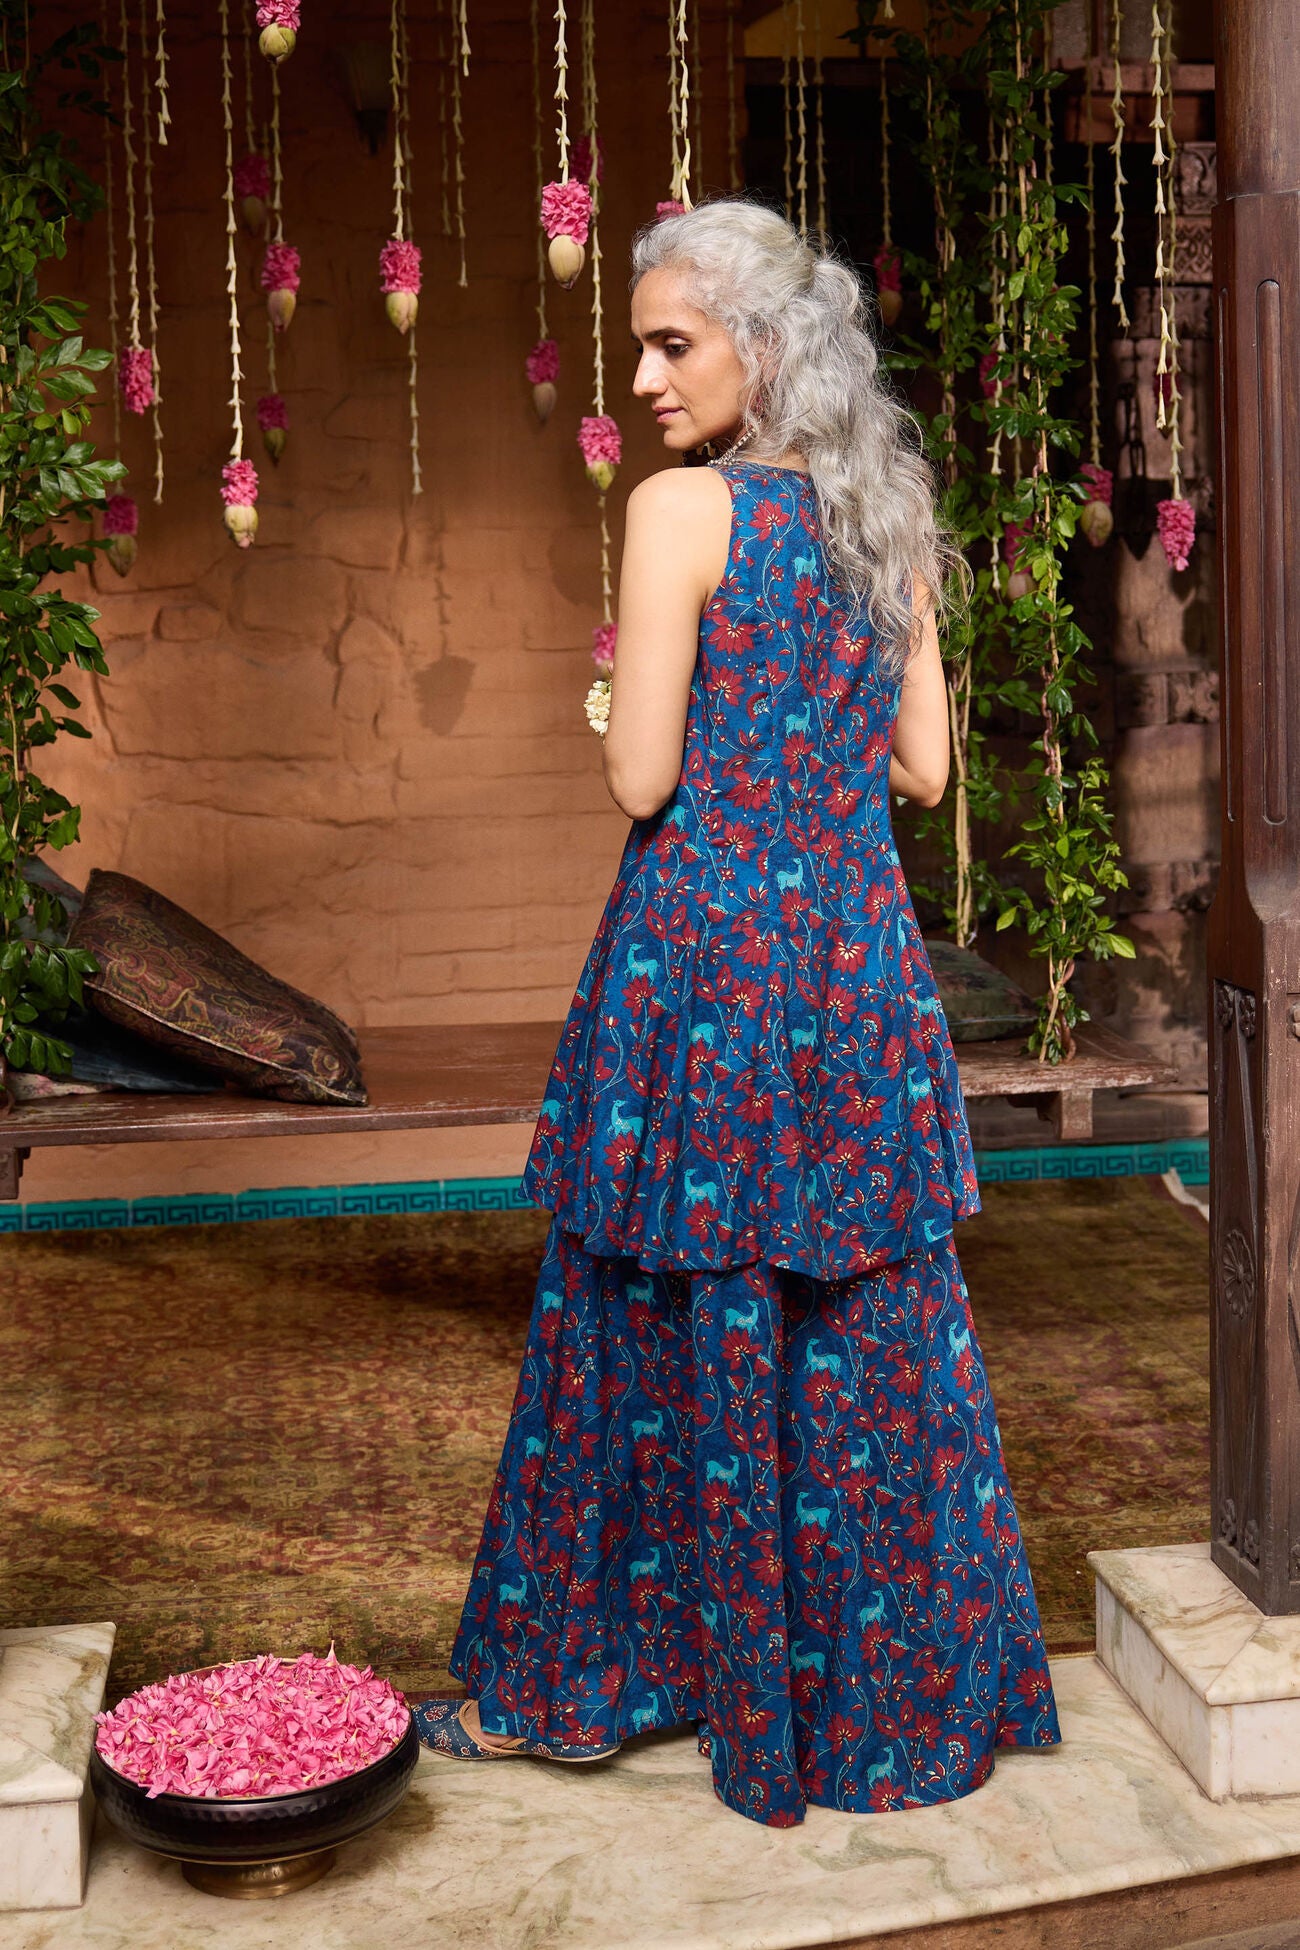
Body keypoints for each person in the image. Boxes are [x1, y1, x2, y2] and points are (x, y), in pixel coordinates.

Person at [414, 200, 1061, 1827]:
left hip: (703, 967)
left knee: (640, 1309)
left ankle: (594, 1679)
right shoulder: (888, 517)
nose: (641, 374)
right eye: (640, 342)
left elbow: (643, 773)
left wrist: (625, 698)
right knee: (868, 1320)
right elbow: (920, 770)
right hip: (850, 962)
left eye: (671, 341)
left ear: (764, 348)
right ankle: (892, 1681)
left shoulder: (679, 515)